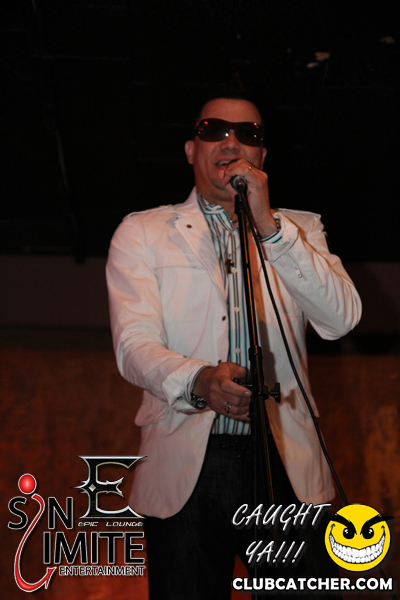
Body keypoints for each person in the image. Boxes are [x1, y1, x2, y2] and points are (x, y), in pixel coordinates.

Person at [106, 93, 362, 599]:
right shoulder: (143, 232)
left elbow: (341, 320)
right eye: (214, 130)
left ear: (262, 156)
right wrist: (199, 380)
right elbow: (133, 344)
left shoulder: (300, 229)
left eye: (248, 134)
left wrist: (269, 227)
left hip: (284, 456)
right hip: (187, 459)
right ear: (190, 149)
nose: (231, 142)